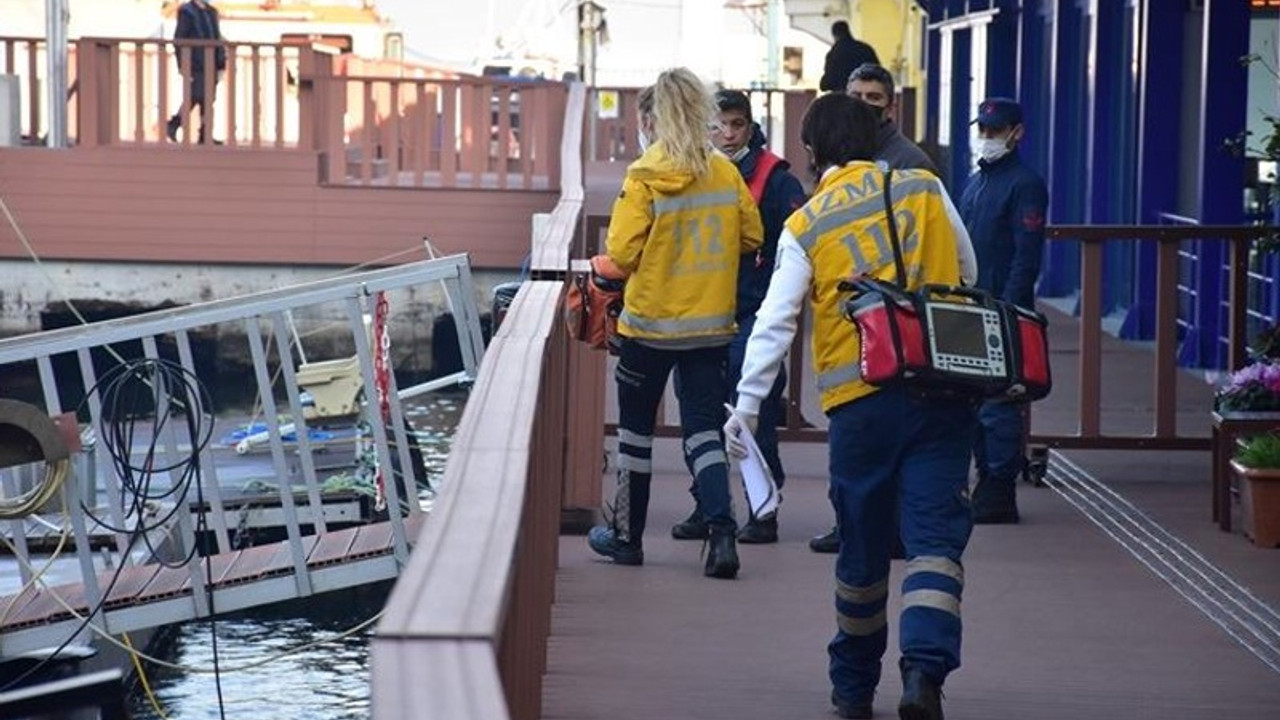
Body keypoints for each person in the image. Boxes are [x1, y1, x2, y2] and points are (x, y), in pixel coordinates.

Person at [724, 94, 977, 720]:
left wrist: (748, 405)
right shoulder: (923, 188)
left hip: (862, 405)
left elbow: (775, 322)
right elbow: (968, 269)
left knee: (862, 553)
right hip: (943, 390)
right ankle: (923, 674)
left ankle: (854, 689)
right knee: (934, 541)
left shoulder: (807, 225)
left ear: (812, 153)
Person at [587, 69, 764, 579]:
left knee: (636, 436)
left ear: (656, 118)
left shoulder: (645, 174)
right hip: (709, 327)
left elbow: (621, 253)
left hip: (648, 326)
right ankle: (723, 534)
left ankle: (627, 539)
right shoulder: (725, 172)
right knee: (703, 430)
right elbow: (752, 236)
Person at [807, 62, 967, 555]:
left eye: (873, 97)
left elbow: (955, 253)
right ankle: (881, 535)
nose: (862, 104)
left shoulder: (913, 166)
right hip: (883, 342)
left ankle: (879, 536)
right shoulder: (864, 167)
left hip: (906, 340)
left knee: (884, 459)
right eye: (855, 95)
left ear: (890, 105)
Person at [668, 89, 806, 545]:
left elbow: (794, 251)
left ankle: (762, 509)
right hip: (702, 310)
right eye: (718, 125)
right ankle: (707, 503)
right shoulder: (693, 171)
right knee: (699, 411)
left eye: (736, 124)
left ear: (751, 126)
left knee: (755, 411)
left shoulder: (777, 179)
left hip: (752, 311)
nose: (727, 134)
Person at [959, 97, 1049, 525]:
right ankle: (986, 479)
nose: (988, 138)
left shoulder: (1024, 184)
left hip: (1002, 308)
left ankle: (998, 488)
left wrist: (1010, 311)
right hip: (972, 305)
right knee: (975, 399)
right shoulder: (977, 181)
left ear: (1017, 132)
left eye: (996, 131)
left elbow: (1025, 257)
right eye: (984, 131)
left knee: (999, 401)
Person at [166, 0, 227, 144]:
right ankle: (174, 124)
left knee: (209, 99)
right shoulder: (187, 11)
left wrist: (221, 61)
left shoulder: (211, 11)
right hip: (195, 63)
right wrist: (182, 64)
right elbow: (179, 39)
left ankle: (204, 135)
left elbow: (216, 37)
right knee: (196, 95)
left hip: (211, 62)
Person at [820, 21, 880, 94]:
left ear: (834, 35)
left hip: (843, 98)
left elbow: (827, 82)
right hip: (866, 97)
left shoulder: (834, 53)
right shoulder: (865, 48)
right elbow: (878, 72)